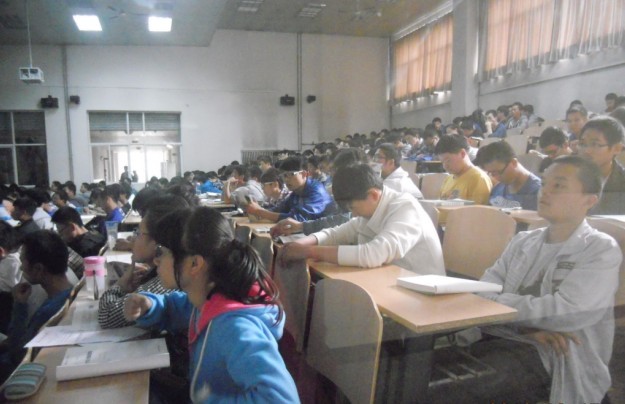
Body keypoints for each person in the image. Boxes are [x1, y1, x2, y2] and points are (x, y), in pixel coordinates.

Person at [477, 156, 622, 403]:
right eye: (544, 183)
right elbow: (481, 292)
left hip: (558, 361)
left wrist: (499, 307)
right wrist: (525, 327)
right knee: (424, 372)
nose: (545, 192)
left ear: (590, 200)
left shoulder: (600, 249)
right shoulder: (523, 241)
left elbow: (567, 313)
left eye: (559, 186)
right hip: (509, 340)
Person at [123, 207, 300, 403]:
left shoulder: (233, 329)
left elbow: (281, 399)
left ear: (195, 264)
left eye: (162, 252)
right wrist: (149, 305)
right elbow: (175, 307)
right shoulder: (207, 299)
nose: (156, 260)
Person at [280, 164, 444, 275]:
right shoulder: (371, 208)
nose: (354, 214)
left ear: (373, 195)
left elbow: (373, 254)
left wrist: (309, 251)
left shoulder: (406, 208)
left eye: (353, 208)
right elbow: (337, 233)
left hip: (424, 295)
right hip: (390, 282)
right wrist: (300, 244)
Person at [98, 198, 185, 329]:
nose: (133, 239)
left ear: (157, 243)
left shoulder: (165, 280)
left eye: (138, 233)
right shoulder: (157, 272)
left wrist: (119, 286)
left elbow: (106, 316)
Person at [0, 231, 73, 381]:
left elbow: (18, 354)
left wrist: (19, 306)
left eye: (23, 262)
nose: (21, 268)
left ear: (38, 269)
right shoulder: (69, 291)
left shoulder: (49, 312)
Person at [246, 156, 334, 222]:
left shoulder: (316, 191)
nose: (286, 180)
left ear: (304, 174)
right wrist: (257, 211)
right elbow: (280, 209)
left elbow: (298, 219)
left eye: (290, 175)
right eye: (284, 176)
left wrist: (260, 212)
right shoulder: (296, 191)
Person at [578, 116, 625, 214]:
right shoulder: (572, 177)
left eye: (595, 144)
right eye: (583, 144)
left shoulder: (622, 181)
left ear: (617, 148)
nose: (587, 150)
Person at [476, 141, 541, 210]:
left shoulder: (538, 192)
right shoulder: (498, 189)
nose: (496, 178)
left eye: (498, 172)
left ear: (513, 162)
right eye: (492, 173)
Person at [435, 134, 492, 204]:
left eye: (448, 160)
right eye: (442, 162)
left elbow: (478, 209)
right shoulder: (448, 179)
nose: (445, 166)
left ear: (462, 153)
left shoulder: (478, 178)